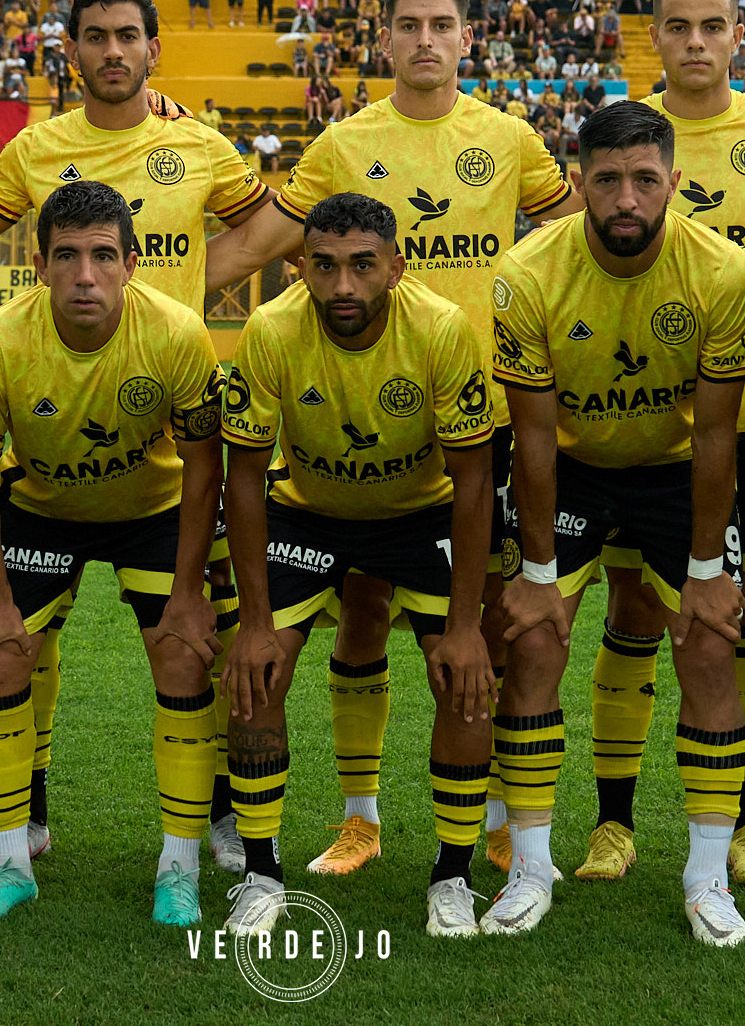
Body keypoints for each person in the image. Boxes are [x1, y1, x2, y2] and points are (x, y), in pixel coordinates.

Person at [206, 0, 578, 878]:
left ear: (467, 38)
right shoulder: (342, 141)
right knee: (361, 619)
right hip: (351, 403)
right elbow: (268, 239)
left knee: (479, 630)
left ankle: (491, 820)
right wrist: (155, 293)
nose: (423, 38)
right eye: (407, 23)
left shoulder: (509, 136)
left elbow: (576, 230)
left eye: (441, 23)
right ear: (383, 39)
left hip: (471, 409)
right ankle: (360, 817)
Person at [0, 0, 268, 870]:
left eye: (127, 36)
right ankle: (26, 812)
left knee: (205, 632)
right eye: (95, 36)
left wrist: (186, 281)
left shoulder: (198, 143)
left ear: (154, 49)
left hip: (168, 413)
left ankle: (219, 814)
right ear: (70, 52)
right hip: (57, 421)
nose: (112, 51)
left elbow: (271, 228)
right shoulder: (39, 149)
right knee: (26, 635)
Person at [550, 0, 745, 893]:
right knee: (629, 612)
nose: (695, 40)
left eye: (712, 24)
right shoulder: (624, 136)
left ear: (740, 32)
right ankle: (614, 825)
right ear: (650, 35)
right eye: (677, 25)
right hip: (630, 427)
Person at [491, 101, 745, 943]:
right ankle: (530, 870)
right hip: (570, 466)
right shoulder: (526, 272)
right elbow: (532, 436)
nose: (627, 199)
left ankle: (707, 876)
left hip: (677, 470)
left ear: (677, 182)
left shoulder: (722, 274)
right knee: (533, 641)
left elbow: (718, 432)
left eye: (647, 179)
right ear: (578, 183)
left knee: (712, 644)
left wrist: (711, 565)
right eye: (607, 179)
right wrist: (537, 577)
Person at [218, 192, 496, 938]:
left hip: (421, 514)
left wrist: (466, 624)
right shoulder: (271, 329)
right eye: (325, 266)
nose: (343, 286)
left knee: (465, 680)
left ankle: (453, 876)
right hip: (309, 511)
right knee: (255, 672)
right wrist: (250, 622)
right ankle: (261, 872)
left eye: (362, 266)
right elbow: (242, 473)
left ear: (395, 267)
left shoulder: (440, 328)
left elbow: (475, 477)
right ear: (300, 267)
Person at [0, 181, 227, 927]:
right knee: (3, 654)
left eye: (103, 255)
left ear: (133, 263)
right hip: (43, 510)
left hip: (152, 510)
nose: (84, 275)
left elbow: (205, 466)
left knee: (182, 652)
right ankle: (10, 860)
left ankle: (179, 864)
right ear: (37, 264)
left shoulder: (175, 333)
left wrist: (190, 588)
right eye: (66, 256)